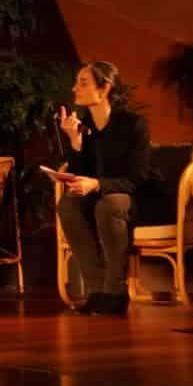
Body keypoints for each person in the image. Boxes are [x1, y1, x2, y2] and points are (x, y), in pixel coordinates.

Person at [53, 60, 152, 315]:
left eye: (83, 83)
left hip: (133, 199)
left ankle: (115, 292)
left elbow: (138, 178)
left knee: (109, 205)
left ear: (104, 87)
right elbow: (80, 173)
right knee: (68, 205)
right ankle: (96, 290)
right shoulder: (85, 126)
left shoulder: (133, 124)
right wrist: (75, 141)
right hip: (98, 199)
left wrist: (97, 184)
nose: (75, 88)